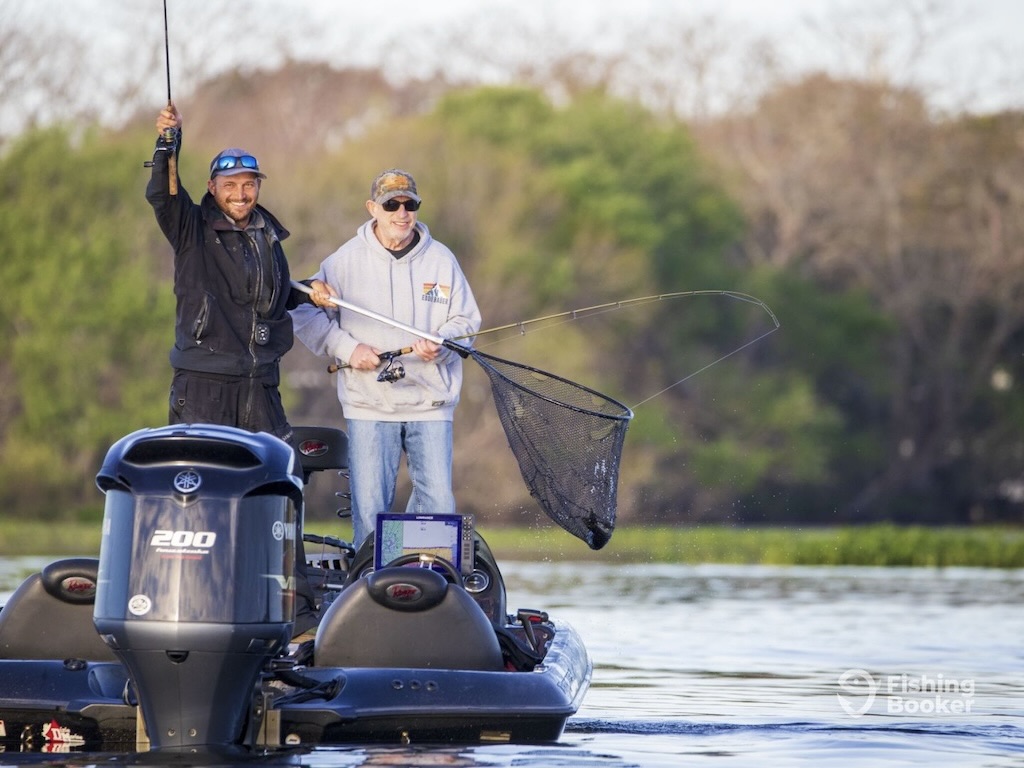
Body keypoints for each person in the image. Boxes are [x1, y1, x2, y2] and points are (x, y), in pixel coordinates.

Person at [146, 103, 335, 638]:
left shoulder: (268, 239)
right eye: (231, 184)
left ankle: (291, 611)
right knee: (195, 487)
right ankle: (184, 598)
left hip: (260, 387)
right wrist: (168, 143)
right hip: (203, 384)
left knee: (283, 481)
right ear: (213, 186)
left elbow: (265, 302)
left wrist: (305, 292)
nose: (241, 192)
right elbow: (162, 193)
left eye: (249, 183)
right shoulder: (191, 227)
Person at [291, 169, 481, 549]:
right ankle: (371, 586)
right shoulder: (343, 261)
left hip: (431, 404)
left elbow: (467, 322)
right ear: (372, 209)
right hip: (369, 406)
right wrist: (349, 349)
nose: (402, 213)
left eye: (410, 204)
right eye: (391, 204)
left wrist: (443, 342)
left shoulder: (442, 260)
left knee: (440, 505)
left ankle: (425, 577)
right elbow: (303, 312)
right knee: (371, 513)